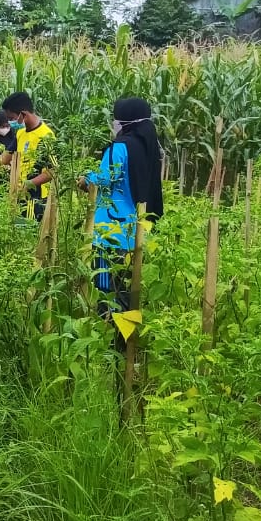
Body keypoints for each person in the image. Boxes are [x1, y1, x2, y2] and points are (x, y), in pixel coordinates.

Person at [80, 97, 164, 349]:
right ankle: (128, 348)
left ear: (123, 121)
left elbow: (106, 178)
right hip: (135, 231)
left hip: (110, 231)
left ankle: (112, 349)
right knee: (128, 291)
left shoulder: (120, 147)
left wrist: (86, 179)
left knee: (107, 290)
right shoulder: (150, 146)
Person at [1, 91, 55, 220]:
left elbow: (52, 171)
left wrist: (28, 184)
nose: (9, 123)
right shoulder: (20, 134)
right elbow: (5, 159)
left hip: (36, 198)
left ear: (23, 115)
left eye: (11, 118)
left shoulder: (45, 136)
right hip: (19, 195)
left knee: (28, 233)